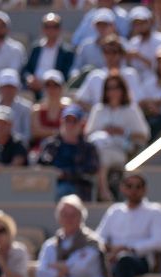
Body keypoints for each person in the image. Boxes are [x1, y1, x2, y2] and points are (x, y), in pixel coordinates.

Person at [95, 173, 161, 277]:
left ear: (145, 190)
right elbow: (98, 238)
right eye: (129, 186)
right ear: (122, 188)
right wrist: (110, 250)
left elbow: (160, 242)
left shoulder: (155, 211)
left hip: (141, 262)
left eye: (138, 186)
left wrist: (129, 248)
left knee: (125, 260)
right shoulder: (114, 211)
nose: (133, 190)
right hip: (112, 262)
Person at [85, 73, 150, 201]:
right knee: (99, 153)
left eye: (116, 88)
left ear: (122, 89)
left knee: (102, 156)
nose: (113, 91)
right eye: (109, 88)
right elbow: (88, 134)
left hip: (121, 151)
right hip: (98, 148)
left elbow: (144, 135)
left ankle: (103, 192)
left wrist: (122, 132)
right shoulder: (98, 109)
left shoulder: (131, 109)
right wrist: (104, 131)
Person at [36, 104, 101, 200]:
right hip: (49, 187)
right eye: (67, 121)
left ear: (81, 124)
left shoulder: (89, 148)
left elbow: (91, 171)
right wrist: (52, 172)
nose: (70, 125)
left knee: (63, 190)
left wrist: (65, 174)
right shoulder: (50, 144)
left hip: (80, 189)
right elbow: (41, 165)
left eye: (74, 121)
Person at [75, 36, 144, 109]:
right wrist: (98, 112)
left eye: (114, 52)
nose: (110, 55)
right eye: (106, 51)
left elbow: (139, 102)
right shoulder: (95, 76)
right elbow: (80, 100)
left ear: (121, 54)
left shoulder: (130, 74)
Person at [22, 12, 74, 96]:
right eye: (47, 27)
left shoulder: (67, 52)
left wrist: (46, 84)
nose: (51, 30)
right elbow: (26, 69)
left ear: (59, 29)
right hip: (33, 88)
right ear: (43, 29)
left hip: (54, 88)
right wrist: (29, 79)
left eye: (55, 27)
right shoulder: (36, 48)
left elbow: (66, 75)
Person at [125, 6, 161, 75]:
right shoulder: (132, 43)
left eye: (142, 22)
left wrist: (140, 57)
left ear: (150, 21)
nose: (139, 26)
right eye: (136, 23)